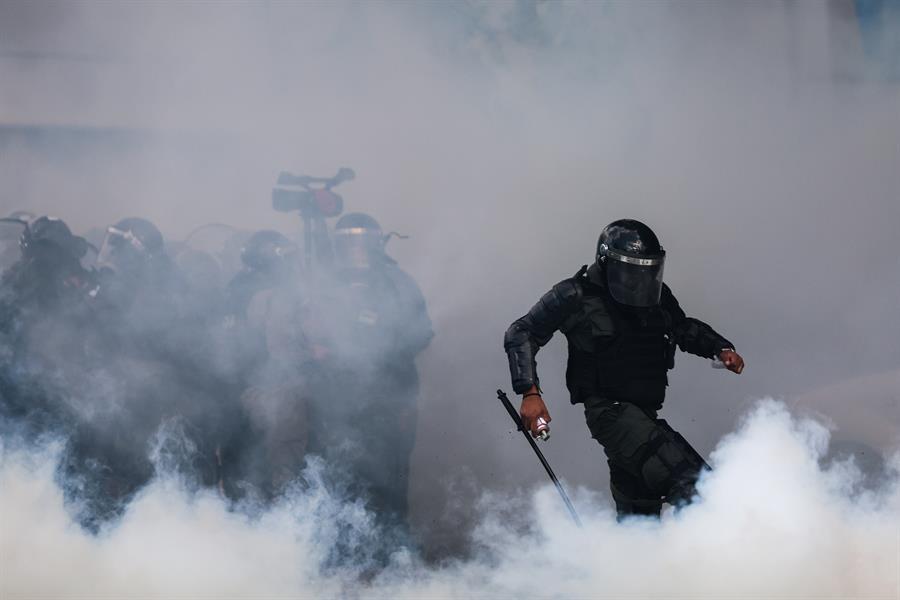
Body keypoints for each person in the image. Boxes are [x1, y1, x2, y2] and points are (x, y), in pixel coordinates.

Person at [504, 219, 744, 518]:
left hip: (644, 414)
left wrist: (720, 348)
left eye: (646, 271)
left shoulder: (656, 296)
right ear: (607, 263)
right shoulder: (575, 295)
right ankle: (736, 543)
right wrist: (529, 392)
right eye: (630, 271)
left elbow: (681, 327)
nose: (637, 281)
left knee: (640, 515)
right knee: (691, 483)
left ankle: (631, 549)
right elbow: (522, 332)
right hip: (610, 413)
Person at [304, 212, 433, 543]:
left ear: (376, 243)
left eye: (361, 241)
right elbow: (300, 330)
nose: (355, 250)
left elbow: (421, 332)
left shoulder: (397, 282)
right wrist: (315, 345)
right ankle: (340, 546)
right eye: (348, 242)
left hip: (390, 392)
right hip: (336, 396)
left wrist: (380, 345)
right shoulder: (323, 283)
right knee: (336, 470)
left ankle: (393, 545)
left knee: (391, 470)